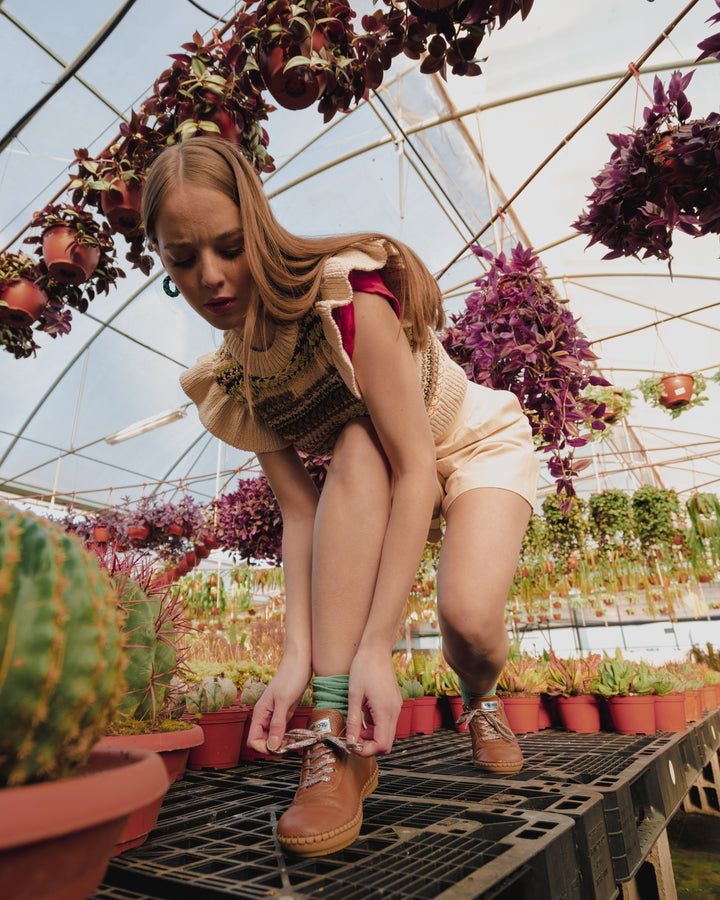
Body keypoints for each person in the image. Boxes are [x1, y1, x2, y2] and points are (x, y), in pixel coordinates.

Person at [142, 135, 539, 858]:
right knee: (356, 443)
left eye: (229, 246)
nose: (212, 277)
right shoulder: (235, 375)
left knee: (470, 623)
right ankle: (335, 743)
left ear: (257, 229)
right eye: (183, 259)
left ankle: (482, 700)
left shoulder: (345, 300)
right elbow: (302, 512)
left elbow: (416, 466)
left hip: (465, 444)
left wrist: (377, 650)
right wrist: (297, 659)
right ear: (162, 264)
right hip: (378, 462)